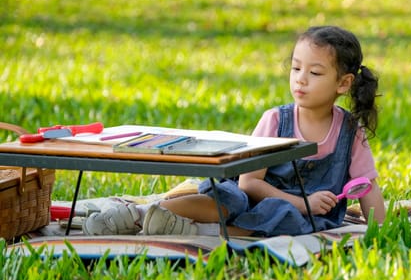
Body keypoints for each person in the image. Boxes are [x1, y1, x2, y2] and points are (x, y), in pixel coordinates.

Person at [83, 25, 386, 237]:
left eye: (315, 72)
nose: (301, 80)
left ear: (343, 83)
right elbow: (249, 183)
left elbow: (366, 186)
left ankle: (196, 231)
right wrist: (301, 202)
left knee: (288, 218)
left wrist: (380, 229)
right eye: (295, 69)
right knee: (230, 199)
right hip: (250, 193)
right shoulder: (275, 120)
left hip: (293, 214)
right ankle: (144, 214)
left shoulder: (349, 131)